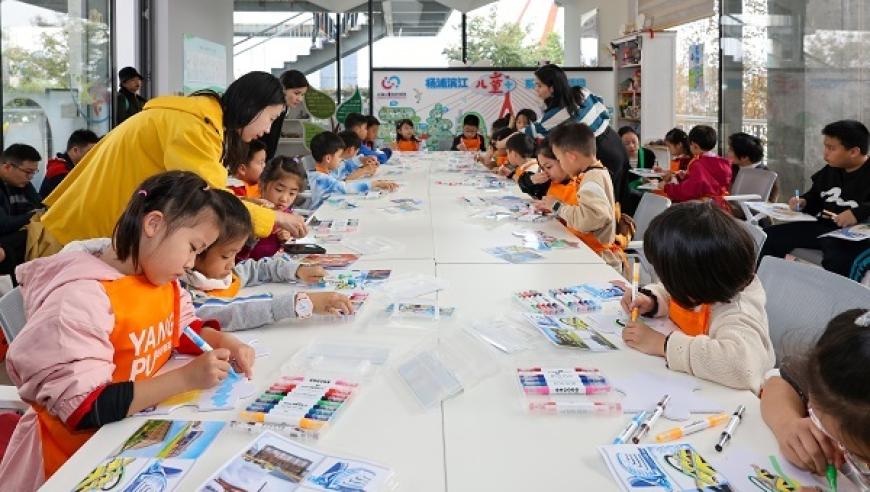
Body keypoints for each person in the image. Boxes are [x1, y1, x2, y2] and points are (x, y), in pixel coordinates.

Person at [0, 172, 255, 490]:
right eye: (192, 247)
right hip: (71, 462)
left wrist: (222, 341)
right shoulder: (80, 299)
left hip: (133, 439)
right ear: (154, 225)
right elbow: (85, 407)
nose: (191, 263)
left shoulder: (159, 277)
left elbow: (182, 327)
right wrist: (186, 379)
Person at [28, 71, 308, 261]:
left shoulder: (198, 119)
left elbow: (208, 190)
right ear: (253, 106)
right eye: (270, 119)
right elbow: (206, 199)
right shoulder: (195, 126)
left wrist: (254, 208)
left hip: (81, 234)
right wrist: (276, 219)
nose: (268, 129)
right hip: (72, 241)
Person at [621, 202, 775, 393]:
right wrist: (652, 300)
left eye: (667, 277)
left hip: (732, 402)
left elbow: (743, 367)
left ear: (692, 280)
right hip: (693, 384)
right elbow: (672, 294)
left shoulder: (738, 309)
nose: (664, 282)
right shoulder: (704, 284)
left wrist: (662, 344)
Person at [183, 188, 354, 330]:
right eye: (226, 256)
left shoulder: (220, 274)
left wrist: (297, 270)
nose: (232, 263)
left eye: (236, 254)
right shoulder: (186, 295)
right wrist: (297, 303)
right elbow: (230, 311)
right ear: (197, 250)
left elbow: (257, 269)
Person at [760, 309, 870, 489]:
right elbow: (778, 383)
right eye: (820, 423)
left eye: (859, 455)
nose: (837, 449)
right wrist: (786, 423)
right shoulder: (834, 376)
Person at [759, 120, 870, 277]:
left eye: (831, 148)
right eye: (825, 146)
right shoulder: (831, 169)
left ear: (854, 151)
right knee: (768, 236)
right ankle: (767, 284)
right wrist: (803, 201)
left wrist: (857, 213)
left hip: (854, 237)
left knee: (838, 259)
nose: (825, 153)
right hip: (824, 227)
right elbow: (815, 196)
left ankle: (840, 299)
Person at [525, 64, 629, 204]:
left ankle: (615, 225)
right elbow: (601, 106)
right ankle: (622, 224)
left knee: (604, 201)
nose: (536, 90)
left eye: (539, 86)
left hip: (599, 150)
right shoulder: (582, 92)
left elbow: (530, 132)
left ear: (552, 88)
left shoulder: (556, 113)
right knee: (618, 196)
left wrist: (503, 140)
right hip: (613, 139)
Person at [533, 122, 624, 271]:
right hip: (589, 253)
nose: (561, 165)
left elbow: (591, 219)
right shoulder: (594, 173)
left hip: (598, 260)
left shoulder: (592, 179)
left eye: (559, 159)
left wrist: (557, 206)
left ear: (571, 157)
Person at [238, 156, 307, 261]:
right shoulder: (251, 213)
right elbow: (237, 258)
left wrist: (289, 241)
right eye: (279, 190)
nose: (284, 199)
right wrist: (254, 236)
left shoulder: (289, 217)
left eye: (292, 193)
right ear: (262, 184)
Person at [308, 132, 398, 208]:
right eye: (339, 156)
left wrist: (361, 159)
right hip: (320, 213)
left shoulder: (323, 172)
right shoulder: (321, 178)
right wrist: (376, 183)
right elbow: (345, 188)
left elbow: (346, 165)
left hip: (329, 207)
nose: (341, 159)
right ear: (328, 158)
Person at [658, 125, 732, 210]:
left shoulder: (698, 164)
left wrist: (667, 188)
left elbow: (689, 191)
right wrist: (686, 177)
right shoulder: (722, 163)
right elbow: (707, 184)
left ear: (695, 146)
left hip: (704, 209)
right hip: (720, 206)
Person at [0, 144, 42, 286]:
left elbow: (40, 208)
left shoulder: (24, 184)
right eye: (27, 172)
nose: (30, 177)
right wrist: (31, 215)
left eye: (34, 173)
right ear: (7, 167)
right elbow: (3, 225)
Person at [39, 130, 100, 199]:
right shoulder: (60, 171)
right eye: (90, 151)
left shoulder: (70, 167)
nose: (94, 155)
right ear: (75, 150)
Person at [263, 70, 309, 160]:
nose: (300, 99)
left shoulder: (285, 108)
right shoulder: (270, 107)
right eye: (296, 93)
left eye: (303, 94)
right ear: (283, 89)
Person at [726, 132, 779, 202]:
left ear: (744, 157)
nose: (727, 152)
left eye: (731, 150)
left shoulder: (766, 176)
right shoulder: (730, 168)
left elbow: (770, 202)